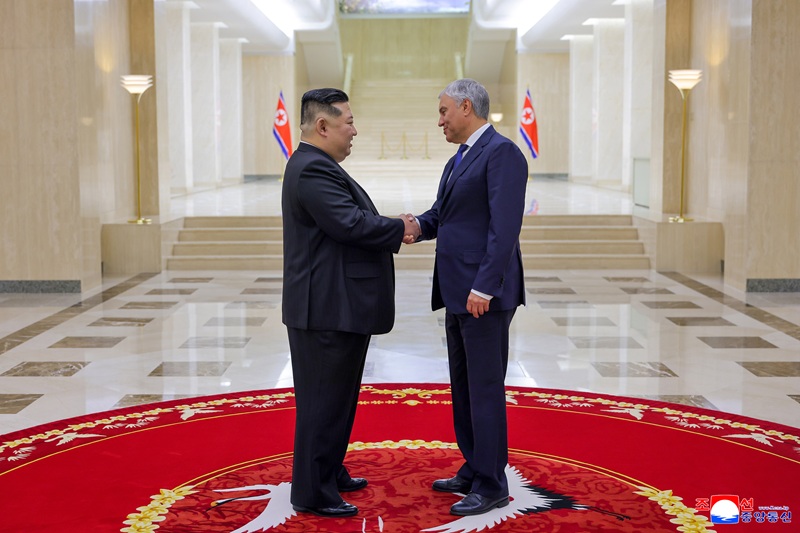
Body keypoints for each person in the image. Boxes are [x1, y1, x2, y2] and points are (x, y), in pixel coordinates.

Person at [282, 88, 419, 518]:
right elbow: (349, 224)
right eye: (349, 123)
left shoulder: (318, 165)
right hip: (324, 308)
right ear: (322, 126)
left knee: (338, 399)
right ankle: (312, 490)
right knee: (322, 402)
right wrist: (400, 227)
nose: (355, 131)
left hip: (336, 304)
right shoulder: (311, 170)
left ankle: (329, 470)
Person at [404, 78, 528, 516]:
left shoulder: (503, 154)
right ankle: (475, 467)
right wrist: (413, 226)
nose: (439, 121)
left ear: (465, 107)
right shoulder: (460, 158)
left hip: (483, 294)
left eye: (443, 112)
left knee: (485, 387)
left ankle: (492, 483)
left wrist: (484, 286)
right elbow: (443, 215)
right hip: (458, 291)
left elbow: (504, 227)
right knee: (464, 386)